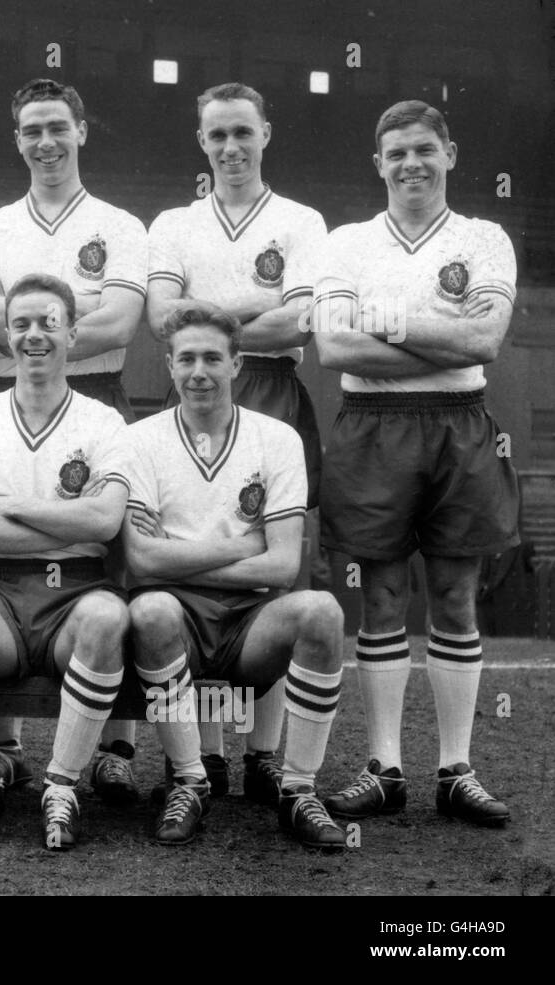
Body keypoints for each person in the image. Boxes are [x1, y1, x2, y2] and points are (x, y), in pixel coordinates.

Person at [312, 100, 516, 828]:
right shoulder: (345, 243)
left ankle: (456, 767)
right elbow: (334, 350)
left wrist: (384, 321)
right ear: (378, 163)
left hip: (460, 424)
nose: (411, 164)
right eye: (396, 152)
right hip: (371, 425)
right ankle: (386, 766)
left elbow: (485, 339)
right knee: (383, 599)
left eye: (425, 149)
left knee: (457, 598)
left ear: (451, 153)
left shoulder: (485, 238)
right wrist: (440, 335)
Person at [0, 78, 149, 793]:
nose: (46, 141)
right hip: (5, 397)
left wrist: (35, 333)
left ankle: (119, 747)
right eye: (32, 129)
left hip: (97, 394)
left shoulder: (122, 224)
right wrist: (70, 321)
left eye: (58, 127)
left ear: (81, 131)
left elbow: (124, 322)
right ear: (17, 140)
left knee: (113, 553)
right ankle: (3, 742)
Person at [144, 82, 329, 805]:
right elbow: (163, 321)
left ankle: (263, 752)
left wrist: (209, 317)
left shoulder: (301, 221)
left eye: (242, 133)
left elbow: (302, 322)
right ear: (201, 140)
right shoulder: (172, 223)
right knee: (187, 565)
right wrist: (254, 310)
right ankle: (204, 753)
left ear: (266, 133)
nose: (230, 147)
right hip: (193, 391)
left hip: (275, 390)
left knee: (276, 572)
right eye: (216, 134)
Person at [121, 304, 346, 849]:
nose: (199, 371)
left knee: (322, 610)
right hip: (176, 617)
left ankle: (297, 789)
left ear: (237, 364)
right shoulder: (138, 440)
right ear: (170, 366)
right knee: (149, 608)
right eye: (187, 359)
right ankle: (190, 780)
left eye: (212, 358)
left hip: (252, 619)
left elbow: (282, 564)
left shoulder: (277, 439)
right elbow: (143, 563)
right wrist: (241, 545)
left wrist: (180, 548)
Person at [0, 273, 129, 850]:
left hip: (80, 593)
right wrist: (62, 519)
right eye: (21, 325)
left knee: (110, 618)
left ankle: (61, 784)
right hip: (3, 593)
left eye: (48, 323)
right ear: (5, 337)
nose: (34, 335)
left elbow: (105, 522)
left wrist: (10, 507)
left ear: (73, 333)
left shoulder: (104, 421)